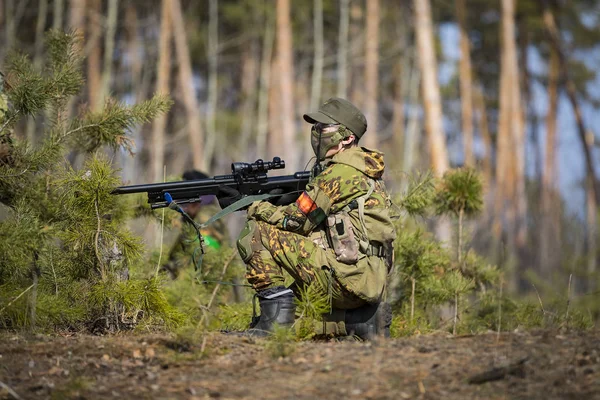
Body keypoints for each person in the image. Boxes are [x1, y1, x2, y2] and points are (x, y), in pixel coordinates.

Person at [220, 97, 397, 339]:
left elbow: (295, 221)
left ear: (347, 137)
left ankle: (273, 328)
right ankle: (359, 322)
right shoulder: (363, 172)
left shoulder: (340, 173)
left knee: (256, 232)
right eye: (315, 128)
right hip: (365, 280)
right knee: (294, 305)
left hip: (347, 280)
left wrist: (252, 205)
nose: (317, 133)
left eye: (324, 128)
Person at [163, 170, 229, 279]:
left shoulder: (206, 217)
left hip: (203, 289)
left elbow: (206, 256)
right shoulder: (193, 219)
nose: (183, 207)